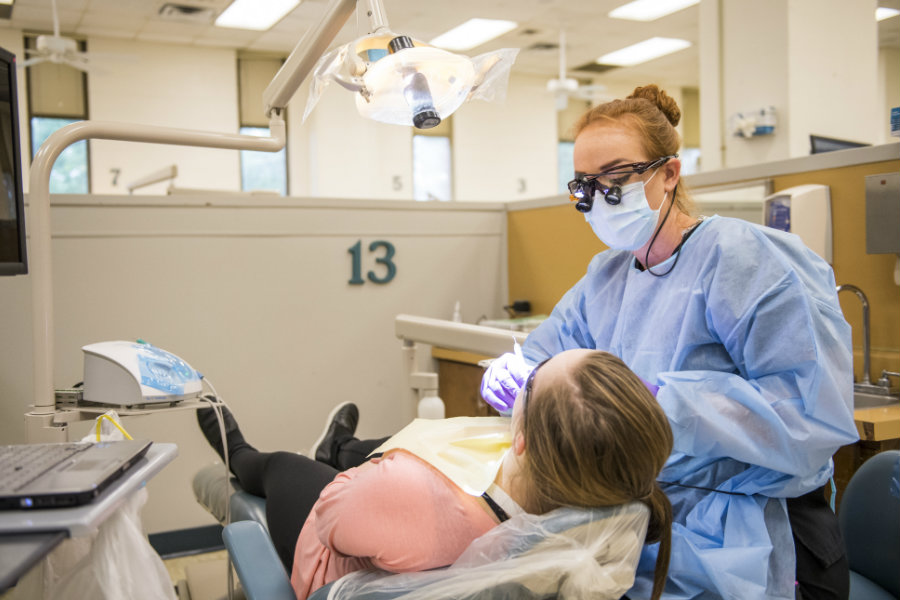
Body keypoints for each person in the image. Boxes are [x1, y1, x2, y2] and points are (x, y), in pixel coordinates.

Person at [477, 85, 859, 600]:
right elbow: (551, 354)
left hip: (757, 532)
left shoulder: (744, 259)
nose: (599, 198)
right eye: (584, 185)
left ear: (669, 173)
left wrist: (662, 404)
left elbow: (814, 417)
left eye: (615, 177)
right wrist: (518, 375)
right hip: (650, 517)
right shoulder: (608, 276)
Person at [198, 349, 675, 600]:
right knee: (390, 446)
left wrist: (388, 480)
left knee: (288, 466)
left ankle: (236, 449)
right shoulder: (605, 508)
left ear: (522, 437)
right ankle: (340, 446)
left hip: (334, 555)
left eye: (531, 378)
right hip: (400, 512)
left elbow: (332, 514)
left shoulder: (410, 494)